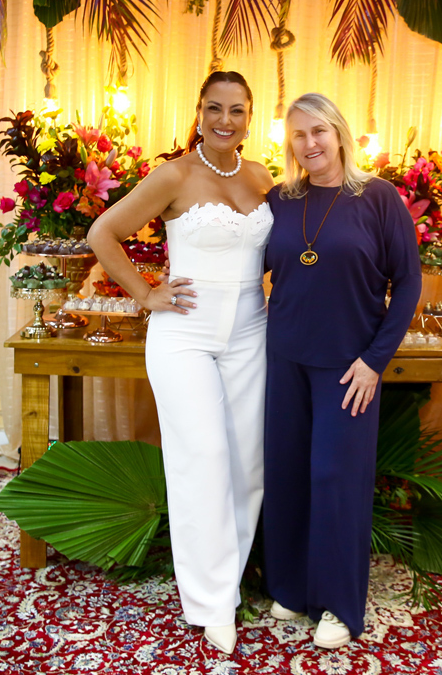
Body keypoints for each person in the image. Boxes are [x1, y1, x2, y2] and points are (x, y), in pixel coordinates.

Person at [86, 71, 274, 655]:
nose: (225, 120)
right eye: (214, 108)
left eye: (236, 110)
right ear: (199, 112)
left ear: (250, 117)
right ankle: (210, 601)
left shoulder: (261, 177)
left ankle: (229, 577)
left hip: (252, 331)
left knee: (247, 463)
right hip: (185, 333)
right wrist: (146, 294)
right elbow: (102, 233)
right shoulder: (174, 175)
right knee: (204, 457)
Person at [261, 93, 421, 648]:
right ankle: (290, 587)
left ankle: (338, 604)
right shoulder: (280, 200)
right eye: (299, 134)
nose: (310, 143)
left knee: (336, 480)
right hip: (284, 358)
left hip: (349, 368)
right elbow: (251, 267)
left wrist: (374, 361)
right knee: (286, 474)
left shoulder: (378, 197)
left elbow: (408, 284)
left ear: (339, 134)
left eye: (319, 131)